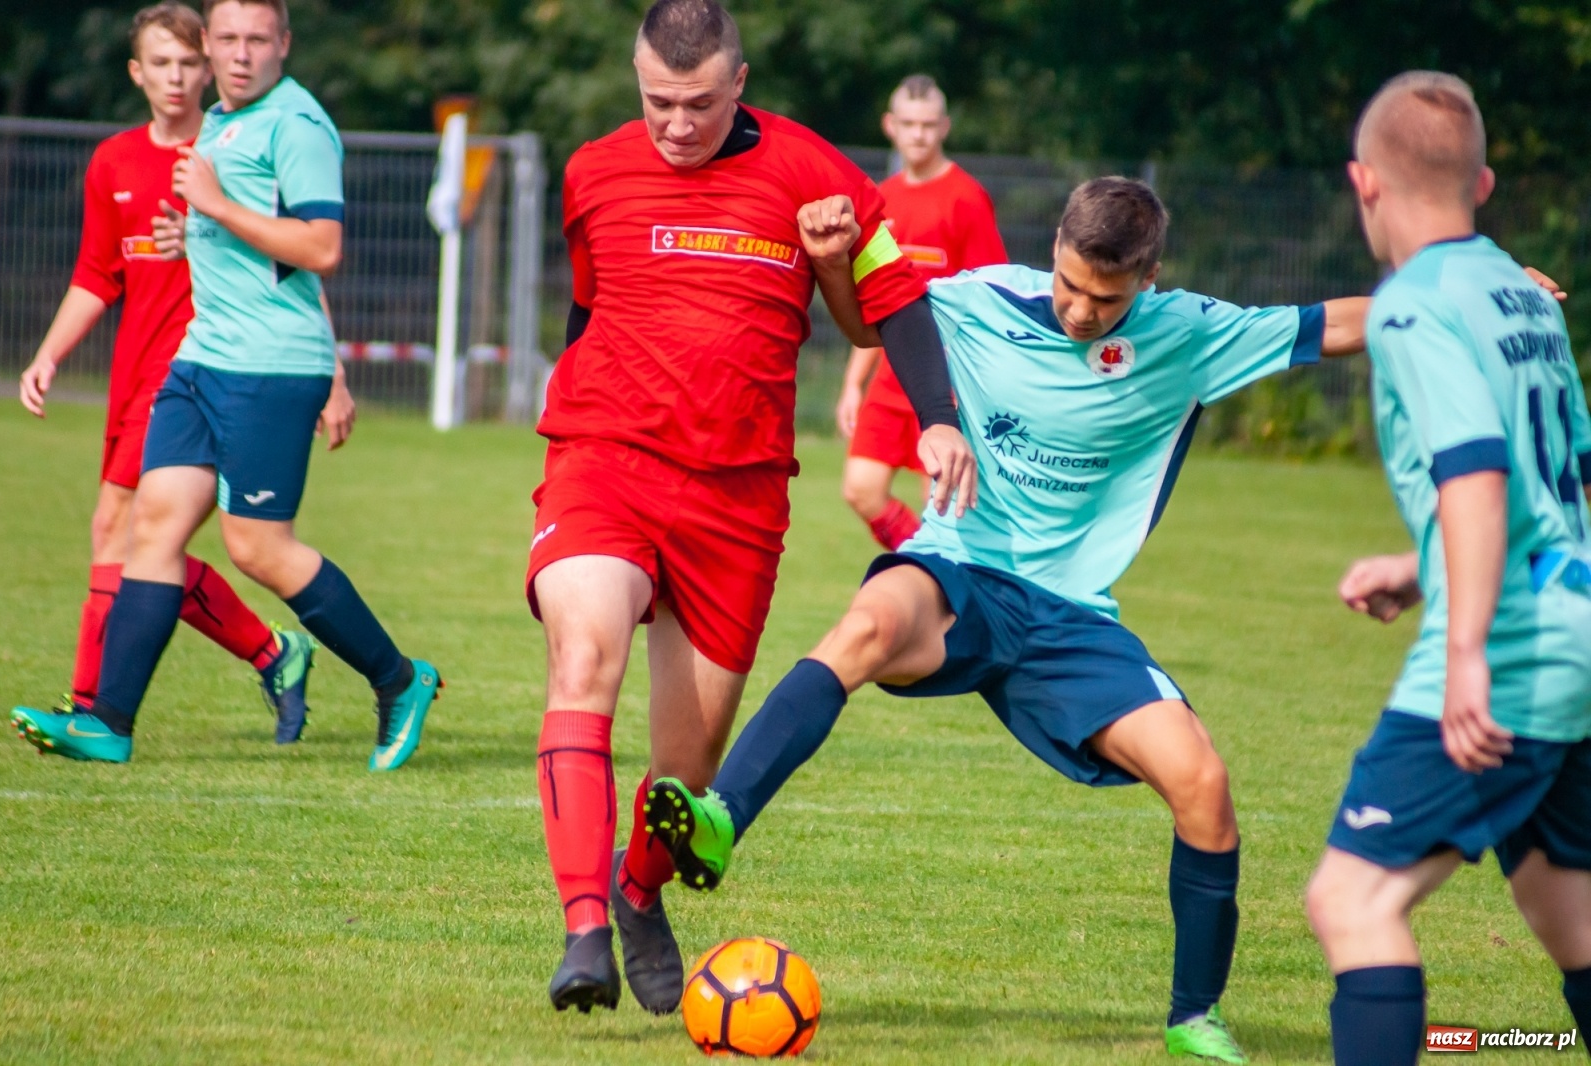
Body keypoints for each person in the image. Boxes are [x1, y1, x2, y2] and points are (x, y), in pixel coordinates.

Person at [645, 176, 1375, 1063]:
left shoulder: (1187, 333)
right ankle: (722, 816)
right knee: (867, 625)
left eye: (1104, 298)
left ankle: (1194, 1020)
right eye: (1068, 283)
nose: (1078, 309)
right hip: (961, 569)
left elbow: (1330, 325)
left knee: (1204, 786)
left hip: (1073, 617)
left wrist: (1458, 301)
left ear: (1147, 278)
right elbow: (875, 316)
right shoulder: (984, 299)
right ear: (1057, 248)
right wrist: (835, 259)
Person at [529, 0, 976, 1016]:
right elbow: (590, 305)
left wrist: (935, 417)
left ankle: (637, 892)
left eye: (695, 105)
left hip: (737, 495)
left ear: (739, 84)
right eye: (655, 102)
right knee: (582, 658)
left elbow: (884, 311)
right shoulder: (593, 169)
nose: (675, 126)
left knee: (686, 777)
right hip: (605, 459)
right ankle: (584, 930)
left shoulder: (815, 174)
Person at [10, 0, 440, 773]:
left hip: (270, 368)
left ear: (284, 44)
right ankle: (107, 721)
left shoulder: (296, 125)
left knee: (257, 549)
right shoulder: (220, 123)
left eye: (257, 40)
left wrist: (212, 207)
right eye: (228, 40)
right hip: (200, 361)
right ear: (210, 45)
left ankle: (400, 679)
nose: (241, 55)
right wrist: (196, 231)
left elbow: (321, 246)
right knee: (152, 529)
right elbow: (232, 236)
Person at [1303, 72, 1591, 1066]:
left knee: (1353, 898)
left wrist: (1464, 644)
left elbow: (1474, 470)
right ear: (1483, 180)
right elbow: (1564, 485)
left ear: (1363, 182)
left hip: (1507, 648)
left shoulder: (1408, 305)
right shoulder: (1524, 291)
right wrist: (1426, 565)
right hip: (1574, 635)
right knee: (1572, 919)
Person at [11, 2, 316, 744]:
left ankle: (90, 708)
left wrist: (210, 229)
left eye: (189, 62)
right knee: (150, 543)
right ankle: (274, 652)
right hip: (134, 373)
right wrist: (49, 353)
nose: (177, 78)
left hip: (206, 374)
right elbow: (96, 271)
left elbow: (298, 261)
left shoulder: (235, 149)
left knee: (120, 530)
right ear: (136, 72)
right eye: (162, 63)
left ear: (208, 64)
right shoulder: (114, 160)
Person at [836, 74, 1007, 550]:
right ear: (890, 125)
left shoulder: (966, 198)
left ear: (945, 127)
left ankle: (940, 590)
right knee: (860, 489)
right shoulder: (881, 195)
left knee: (942, 505)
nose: (918, 134)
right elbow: (876, 297)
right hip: (890, 377)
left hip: (946, 379)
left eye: (928, 124)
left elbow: (989, 297)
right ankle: (927, 571)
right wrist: (853, 383)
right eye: (909, 123)